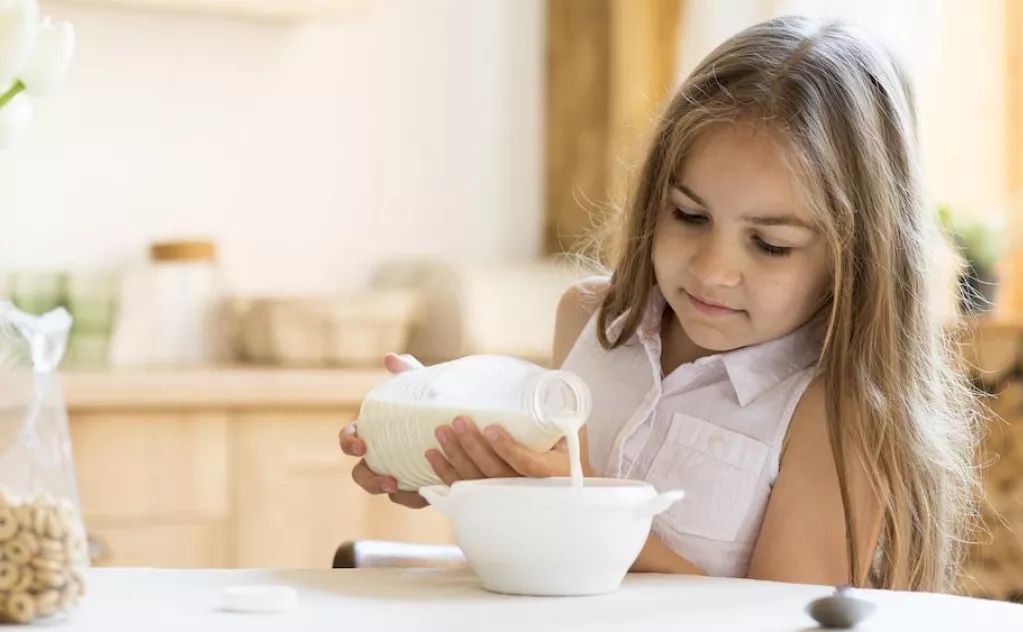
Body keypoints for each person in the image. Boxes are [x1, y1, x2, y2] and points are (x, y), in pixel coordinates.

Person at [339, 15, 982, 593]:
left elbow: (784, 618)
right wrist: (454, 470)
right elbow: (542, 559)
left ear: (856, 256)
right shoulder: (593, 324)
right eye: (689, 215)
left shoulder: (835, 410)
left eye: (770, 244)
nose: (712, 270)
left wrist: (588, 514)